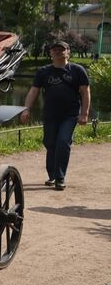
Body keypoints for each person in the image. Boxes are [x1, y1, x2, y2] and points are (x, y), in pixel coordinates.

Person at [20, 40, 91, 190]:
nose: (58, 52)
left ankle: (60, 177)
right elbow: (33, 91)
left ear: (68, 52)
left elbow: (85, 93)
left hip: (70, 115)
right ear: (50, 53)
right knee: (50, 143)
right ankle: (52, 174)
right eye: (54, 49)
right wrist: (26, 109)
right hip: (50, 114)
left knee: (63, 142)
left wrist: (84, 114)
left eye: (61, 49)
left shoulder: (77, 70)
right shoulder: (43, 71)